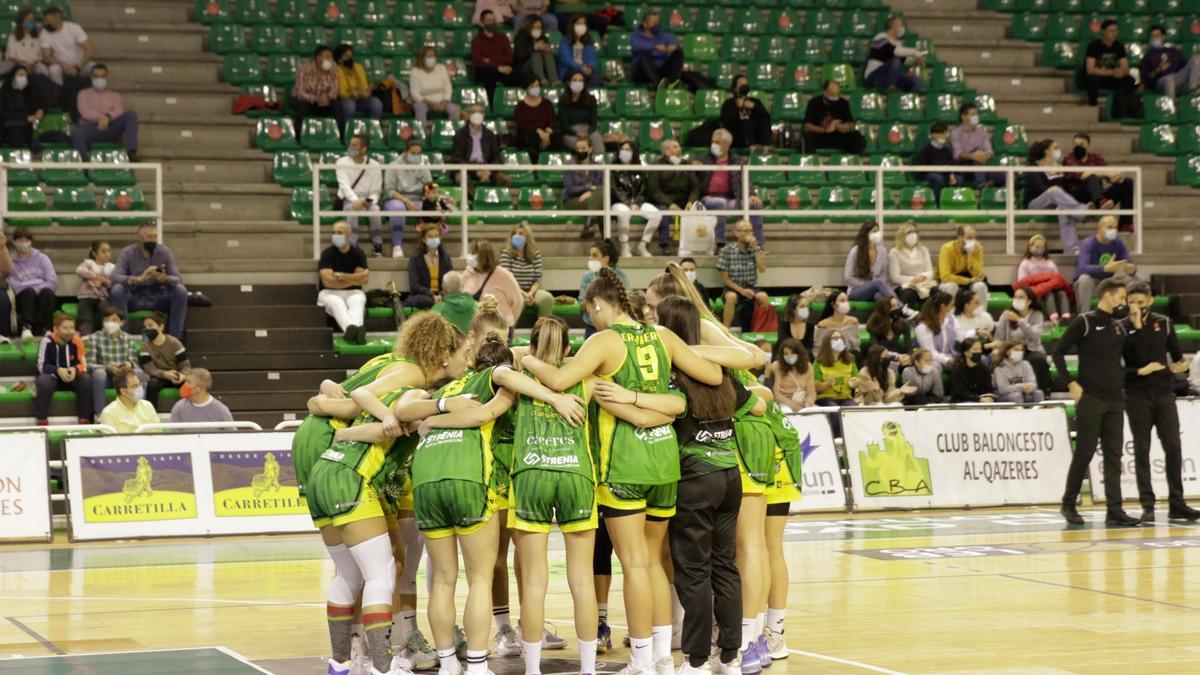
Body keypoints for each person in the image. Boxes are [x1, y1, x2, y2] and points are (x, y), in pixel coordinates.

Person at [519, 268, 754, 675]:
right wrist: (652, 399)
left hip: (624, 462)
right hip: (665, 461)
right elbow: (714, 376)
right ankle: (664, 657)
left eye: (588, 310)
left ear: (597, 304)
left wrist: (524, 359)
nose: (589, 318)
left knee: (634, 565)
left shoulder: (603, 340)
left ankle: (643, 660)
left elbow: (558, 379)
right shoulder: (662, 335)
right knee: (654, 563)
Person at [507, 317, 600, 675]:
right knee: (581, 578)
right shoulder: (584, 375)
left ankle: (532, 670)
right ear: (567, 349)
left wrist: (526, 358)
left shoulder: (520, 376)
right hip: (576, 473)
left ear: (532, 345)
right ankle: (588, 670)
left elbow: (502, 375)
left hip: (531, 474)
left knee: (534, 580)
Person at [1056, 278, 1140, 526]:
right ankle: (1068, 503)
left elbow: (1133, 354)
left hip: (1115, 398)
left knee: (1114, 456)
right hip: (1091, 397)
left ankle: (1115, 510)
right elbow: (1058, 352)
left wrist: (1135, 325)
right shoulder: (1084, 321)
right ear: (1107, 295)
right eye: (1121, 298)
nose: (1124, 302)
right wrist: (1071, 383)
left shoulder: (1118, 326)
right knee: (1085, 452)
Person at [1122, 282, 1199, 522]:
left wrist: (1181, 366)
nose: (1136, 308)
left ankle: (1177, 503)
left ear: (1150, 301)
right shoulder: (1121, 328)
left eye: (1140, 303)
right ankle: (1148, 504)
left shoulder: (1164, 323)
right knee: (1142, 450)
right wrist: (1137, 328)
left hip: (1164, 393)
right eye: (1131, 303)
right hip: (1137, 395)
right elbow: (1131, 362)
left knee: (1173, 448)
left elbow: (1177, 357)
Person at [109, 230, 188, 343]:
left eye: (154, 237)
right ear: (140, 238)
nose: (152, 240)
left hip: (158, 296)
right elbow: (114, 277)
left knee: (180, 290)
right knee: (117, 290)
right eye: (149, 237)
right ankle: (123, 340)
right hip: (135, 296)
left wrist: (165, 278)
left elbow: (178, 278)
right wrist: (138, 279)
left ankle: (174, 340)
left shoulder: (165, 252)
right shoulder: (127, 252)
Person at [700, 129, 764, 247]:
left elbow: (746, 180)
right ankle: (720, 244)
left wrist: (751, 195)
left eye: (717, 142)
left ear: (727, 144)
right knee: (720, 203)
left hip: (732, 199)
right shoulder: (703, 159)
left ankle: (757, 244)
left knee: (753, 205)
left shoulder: (738, 161)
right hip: (709, 198)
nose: (713, 145)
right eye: (712, 141)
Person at [1025, 139, 1087, 255]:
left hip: (1055, 204)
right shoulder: (1034, 167)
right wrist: (1056, 196)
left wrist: (1060, 203)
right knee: (1054, 191)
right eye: (1055, 147)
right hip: (1036, 204)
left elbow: (1065, 191)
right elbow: (1039, 189)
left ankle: (1072, 249)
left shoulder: (1059, 168)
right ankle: (1081, 211)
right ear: (1047, 151)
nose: (1058, 150)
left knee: (1064, 209)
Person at [1062, 131, 1133, 230]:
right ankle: (1100, 202)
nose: (1078, 147)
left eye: (1081, 144)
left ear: (1088, 145)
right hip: (1078, 196)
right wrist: (1105, 172)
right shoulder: (1068, 159)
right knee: (1092, 176)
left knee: (1127, 182)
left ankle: (1125, 223)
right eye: (1076, 144)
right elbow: (1082, 174)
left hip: (1097, 195)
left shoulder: (1096, 158)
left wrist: (1116, 177)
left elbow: (1110, 177)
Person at [84, 306, 146, 418]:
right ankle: (99, 415)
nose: (109, 323)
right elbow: (89, 364)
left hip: (125, 378)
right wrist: (106, 367)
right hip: (106, 378)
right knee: (99, 373)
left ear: (122, 322)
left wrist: (129, 365)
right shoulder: (95, 337)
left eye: (114, 320)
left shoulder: (128, 338)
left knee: (139, 373)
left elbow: (134, 362)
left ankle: (139, 411)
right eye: (106, 320)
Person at [71, 64, 138, 160]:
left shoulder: (115, 95)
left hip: (111, 127)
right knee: (77, 134)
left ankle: (131, 152)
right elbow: (85, 113)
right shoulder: (83, 94)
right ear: (91, 77)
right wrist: (103, 117)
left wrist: (108, 116)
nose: (99, 79)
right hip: (92, 128)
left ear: (106, 78)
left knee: (131, 115)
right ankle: (84, 161)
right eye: (96, 76)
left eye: (102, 76)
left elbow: (119, 110)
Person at [33, 312, 91, 424]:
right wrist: (58, 370)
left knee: (86, 379)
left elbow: (83, 364)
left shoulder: (77, 341)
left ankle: (85, 418)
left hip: (72, 376)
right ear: (56, 329)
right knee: (43, 381)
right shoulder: (47, 341)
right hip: (53, 377)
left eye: (72, 328)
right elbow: (42, 365)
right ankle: (41, 419)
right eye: (65, 328)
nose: (69, 331)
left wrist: (75, 370)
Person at [317, 221, 369, 345]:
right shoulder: (327, 253)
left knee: (358, 301)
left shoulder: (358, 253)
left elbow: (365, 279)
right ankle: (354, 331)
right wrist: (353, 278)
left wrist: (340, 276)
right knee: (337, 303)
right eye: (333, 232)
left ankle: (353, 332)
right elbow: (327, 281)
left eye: (339, 233)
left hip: (353, 292)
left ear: (348, 235)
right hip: (328, 293)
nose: (335, 235)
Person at [994, 286, 1052, 393]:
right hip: (1011, 349)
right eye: (1015, 297)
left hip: (1031, 349)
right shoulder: (1006, 314)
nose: (1017, 299)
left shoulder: (1036, 314)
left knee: (1038, 360)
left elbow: (1035, 335)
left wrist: (1019, 320)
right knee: (995, 357)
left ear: (1029, 301)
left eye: (1021, 297)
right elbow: (999, 337)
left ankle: (1042, 393)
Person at [1075, 215, 1137, 314]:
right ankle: (1084, 316)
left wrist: (1132, 269)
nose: (1113, 230)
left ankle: (1131, 314)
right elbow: (1082, 268)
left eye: (1115, 228)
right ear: (1099, 229)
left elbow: (1129, 262)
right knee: (1084, 279)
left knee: (1134, 280)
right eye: (1109, 227)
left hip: (1111, 282)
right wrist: (1104, 268)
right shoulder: (1088, 243)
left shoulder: (1118, 243)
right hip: (1094, 283)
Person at [646, 139, 698, 255]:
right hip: (664, 201)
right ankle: (665, 245)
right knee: (663, 212)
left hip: (684, 200)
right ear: (666, 151)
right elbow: (654, 190)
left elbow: (696, 187)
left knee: (696, 208)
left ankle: (693, 245)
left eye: (679, 147)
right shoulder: (657, 166)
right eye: (675, 147)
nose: (678, 149)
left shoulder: (687, 165)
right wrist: (670, 204)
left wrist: (691, 201)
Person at [381, 140, 432, 259]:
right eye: (413, 153)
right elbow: (389, 190)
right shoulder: (393, 166)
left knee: (431, 207)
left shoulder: (423, 168)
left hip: (417, 199)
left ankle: (429, 246)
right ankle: (397, 246)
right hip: (396, 199)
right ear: (406, 152)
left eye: (418, 153)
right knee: (398, 208)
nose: (415, 156)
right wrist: (406, 201)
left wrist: (427, 199)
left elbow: (428, 188)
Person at [611, 141, 661, 259]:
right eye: (623, 149)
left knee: (657, 214)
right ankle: (624, 245)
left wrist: (637, 203)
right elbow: (613, 190)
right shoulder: (613, 169)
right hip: (619, 202)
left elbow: (643, 189)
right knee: (624, 212)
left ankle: (643, 245)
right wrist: (629, 203)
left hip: (638, 202)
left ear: (634, 153)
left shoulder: (640, 169)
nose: (624, 152)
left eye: (628, 150)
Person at [335, 134, 384, 255]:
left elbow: (376, 190)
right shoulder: (341, 162)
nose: (350, 148)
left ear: (364, 149)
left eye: (354, 145)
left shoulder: (375, 165)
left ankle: (378, 245)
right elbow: (344, 185)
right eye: (350, 145)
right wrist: (355, 200)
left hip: (368, 200)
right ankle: (352, 245)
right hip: (349, 199)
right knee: (351, 211)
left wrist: (369, 201)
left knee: (375, 211)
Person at [717, 220, 768, 331]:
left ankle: (762, 330)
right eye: (745, 231)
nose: (748, 234)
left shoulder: (756, 249)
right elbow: (726, 279)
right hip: (733, 288)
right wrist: (742, 291)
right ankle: (726, 329)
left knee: (763, 297)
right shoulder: (726, 251)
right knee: (731, 297)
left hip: (751, 287)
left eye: (750, 231)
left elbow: (762, 268)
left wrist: (755, 248)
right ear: (737, 233)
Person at [7, 227, 57, 340]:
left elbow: (53, 283)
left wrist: (29, 284)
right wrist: (38, 282)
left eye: (26, 240)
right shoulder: (11, 261)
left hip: (43, 297)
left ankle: (48, 329)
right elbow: (14, 286)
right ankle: (26, 328)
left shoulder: (42, 258)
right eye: (20, 240)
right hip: (23, 299)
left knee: (47, 292)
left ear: (31, 241)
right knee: (29, 292)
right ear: (14, 242)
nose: (23, 243)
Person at [462, 240, 523, 329]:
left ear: (484, 257)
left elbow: (518, 301)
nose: (471, 256)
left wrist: (509, 322)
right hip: (476, 328)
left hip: (500, 327)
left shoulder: (503, 275)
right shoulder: (467, 274)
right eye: (472, 253)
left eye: (475, 253)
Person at [499, 223, 554, 318]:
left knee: (547, 298)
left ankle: (543, 329)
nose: (517, 236)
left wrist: (530, 293)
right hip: (513, 291)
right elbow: (507, 280)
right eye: (514, 233)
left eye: (520, 233)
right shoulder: (506, 253)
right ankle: (510, 331)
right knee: (520, 301)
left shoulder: (535, 254)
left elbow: (538, 279)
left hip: (532, 290)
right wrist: (524, 294)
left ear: (527, 237)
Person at [1014, 233, 1072, 323]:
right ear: (1030, 248)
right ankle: (1053, 317)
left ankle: (1066, 317)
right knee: (1049, 294)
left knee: (1062, 293)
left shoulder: (1050, 264)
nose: (1039, 249)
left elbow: (1057, 279)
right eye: (1036, 246)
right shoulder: (1025, 264)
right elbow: (1022, 283)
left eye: (1041, 246)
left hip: (1052, 289)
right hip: (1036, 291)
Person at [578, 239, 627, 339]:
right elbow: (582, 305)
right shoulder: (587, 277)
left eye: (594, 255)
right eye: (590, 255)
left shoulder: (621, 276)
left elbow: (625, 302)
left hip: (616, 326)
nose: (590, 258)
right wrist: (590, 297)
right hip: (591, 327)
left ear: (606, 258)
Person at [138, 311, 189, 407]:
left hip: (176, 376)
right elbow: (150, 370)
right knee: (152, 384)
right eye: (145, 327)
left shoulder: (175, 343)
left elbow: (185, 365)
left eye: (150, 325)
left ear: (161, 327)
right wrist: (165, 374)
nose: (147, 329)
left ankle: (189, 412)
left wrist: (183, 375)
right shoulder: (145, 347)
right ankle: (152, 414)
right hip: (158, 378)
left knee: (189, 383)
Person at [451, 104, 509, 186]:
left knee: (504, 179)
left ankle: (494, 198)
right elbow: (457, 159)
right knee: (461, 178)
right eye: (474, 112)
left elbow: (497, 158)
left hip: (487, 168)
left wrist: (488, 171)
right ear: (469, 114)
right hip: (467, 168)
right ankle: (472, 198)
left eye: (480, 112)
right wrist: (476, 171)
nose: (477, 114)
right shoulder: (460, 135)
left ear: (483, 115)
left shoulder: (490, 135)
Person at [802, 80, 865, 155]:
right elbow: (807, 126)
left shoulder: (843, 103)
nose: (834, 97)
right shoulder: (814, 103)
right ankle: (811, 162)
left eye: (836, 94)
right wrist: (825, 130)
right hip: (821, 136)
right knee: (809, 137)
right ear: (825, 92)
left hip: (838, 136)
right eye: (832, 94)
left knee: (857, 137)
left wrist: (844, 127)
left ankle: (853, 162)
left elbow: (851, 124)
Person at [863, 15, 924, 93]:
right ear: (893, 26)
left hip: (891, 77)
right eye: (900, 25)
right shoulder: (880, 37)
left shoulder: (898, 43)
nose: (902, 28)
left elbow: (904, 60)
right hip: (874, 76)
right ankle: (890, 86)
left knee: (915, 80)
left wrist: (916, 61)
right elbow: (895, 51)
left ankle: (908, 100)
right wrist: (916, 52)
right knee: (895, 60)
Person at [1082, 19, 1135, 107]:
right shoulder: (1093, 46)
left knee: (1129, 80)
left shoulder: (1119, 46)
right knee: (1092, 79)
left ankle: (1127, 106)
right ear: (1103, 32)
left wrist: (1121, 72)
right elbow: (1090, 70)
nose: (1114, 33)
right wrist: (1111, 72)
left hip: (1110, 77)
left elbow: (1125, 67)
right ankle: (1093, 106)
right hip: (1097, 76)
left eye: (1116, 30)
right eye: (1111, 30)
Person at [290, 45, 339, 138]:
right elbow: (300, 91)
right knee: (303, 106)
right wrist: (315, 99)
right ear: (318, 58)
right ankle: (298, 137)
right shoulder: (305, 68)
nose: (330, 59)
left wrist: (326, 98)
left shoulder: (333, 70)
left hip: (324, 101)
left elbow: (334, 90)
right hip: (304, 99)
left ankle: (338, 137)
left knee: (337, 105)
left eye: (331, 57)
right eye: (327, 56)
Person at [949, 103, 1003, 187]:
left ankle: (984, 182)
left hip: (981, 165)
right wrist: (974, 155)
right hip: (963, 167)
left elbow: (989, 150)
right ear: (963, 116)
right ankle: (981, 182)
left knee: (1005, 175)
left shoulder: (982, 132)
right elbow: (957, 154)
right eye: (973, 114)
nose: (976, 116)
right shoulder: (955, 133)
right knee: (976, 152)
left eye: (976, 114)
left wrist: (984, 155)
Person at [38, 6, 93, 86]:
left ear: (57, 18)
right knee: (53, 71)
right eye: (45, 20)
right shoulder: (44, 33)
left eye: (48, 20)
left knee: (94, 68)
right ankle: (59, 94)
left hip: (80, 64)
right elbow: (46, 56)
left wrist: (77, 67)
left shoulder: (74, 28)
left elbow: (89, 50)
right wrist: (63, 65)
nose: (46, 23)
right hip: (61, 65)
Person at [1140, 25, 1200, 98]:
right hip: (1160, 81)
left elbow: (1185, 66)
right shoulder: (1147, 56)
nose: (1154, 38)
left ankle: (1193, 91)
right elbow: (1146, 79)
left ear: (1163, 36)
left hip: (1177, 78)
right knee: (1169, 79)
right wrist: (1158, 70)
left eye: (1157, 36)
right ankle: (1171, 104)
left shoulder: (1173, 51)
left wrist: (1194, 57)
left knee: (1195, 61)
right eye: (1152, 36)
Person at [937, 224, 987, 308]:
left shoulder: (977, 248)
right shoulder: (946, 248)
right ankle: (952, 316)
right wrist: (968, 280)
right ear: (959, 237)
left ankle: (980, 316)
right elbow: (945, 277)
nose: (973, 241)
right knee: (951, 286)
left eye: (974, 238)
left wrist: (971, 254)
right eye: (969, 238)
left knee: (980, 286)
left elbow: (978, 274)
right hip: (950, 281)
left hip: (969, 280)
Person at [471, 11, 514, 107]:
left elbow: (509, 58)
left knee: (516, 74)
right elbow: (478, 60)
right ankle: (491, 106)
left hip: (501, 69)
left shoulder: (503, 38)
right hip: (484, 71)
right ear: (482, 23)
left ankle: (512, 105)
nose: (492, 22)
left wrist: (490, 60)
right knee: (490, 73)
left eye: (493, 20)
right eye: (489, 20)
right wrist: (496, 66)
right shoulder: (477, 40)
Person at [844, 221, 896, 303]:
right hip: (856, 290)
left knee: (880, 297)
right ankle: (902, 309)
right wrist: (867, 284)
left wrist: (873, 284)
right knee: (878, 283)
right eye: (874, 231)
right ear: (866, 234)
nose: (877, 234)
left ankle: (893, 314)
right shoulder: (855, 251)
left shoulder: (882, 251)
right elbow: (848, 277)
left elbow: (883, 274)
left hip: (875, 289)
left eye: (878, 231)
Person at [563, 135, 603, 238]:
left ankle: (590, 224)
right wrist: (588, 189)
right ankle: (605, 241)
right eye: (577, 149)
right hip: (573, 200)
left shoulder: (598, 166)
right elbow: (569, 189)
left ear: (590, 149)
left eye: (583, 148)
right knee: (602, 204)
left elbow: (601, 187)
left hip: (592, 199)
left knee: (601, 195)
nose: (580, 151)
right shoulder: (569, 165)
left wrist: (590, 193)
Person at [629, 10, 682, 88]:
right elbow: (638, 45)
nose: (656, 25)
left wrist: (673, 46)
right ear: (645, 24)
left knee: (678, 52)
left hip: (660, 70)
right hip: (642, 73)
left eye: (657, 22)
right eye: (653, 23)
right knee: (643, 53)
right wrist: (654, 46)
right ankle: (658, 84)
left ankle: (672, 81)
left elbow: (674, 43)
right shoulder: (636, 37)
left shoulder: (663, 36)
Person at [888, 222, 936, 307]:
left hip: (923, 284)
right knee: (910, 293)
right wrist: (913, 279)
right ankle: (903, 317)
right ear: (902, 235)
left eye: (915, 232)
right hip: (903, 286)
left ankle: (932, 319)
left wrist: (923, 276)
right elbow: (895, 277)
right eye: (909, 232)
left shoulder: (923, 250)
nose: (913, 235)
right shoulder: (894, 252)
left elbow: (930, 271)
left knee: (936, 291)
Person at [332, 43, 382, 124]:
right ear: (339, 59)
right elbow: (343, 94)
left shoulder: (358, 67)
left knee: (376, 103)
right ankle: (346, 132)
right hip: (345, 101)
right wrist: (358, 93)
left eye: (350, 56)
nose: (349, 58)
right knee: (349, 105)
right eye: (346, 56)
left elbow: (364, 88)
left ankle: (374, 130)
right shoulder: (336, 70)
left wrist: (366, 91)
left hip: (360, 100)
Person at [407, 224, 454, 310]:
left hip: (441, 295)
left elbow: (450, 281)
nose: (434, 239)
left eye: (436, 236)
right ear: (424, 239)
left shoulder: (445, 258)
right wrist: (432, 295)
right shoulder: (416, 258)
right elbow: (415, 285)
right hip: (422, 295)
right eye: (430, 237)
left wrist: (440, 295)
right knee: (428, 301)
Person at [720, 74, 771, 152]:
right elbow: (726, 121)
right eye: (740, 84)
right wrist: (738, 108)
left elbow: (766, 117)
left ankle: (766, 150)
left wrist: (754, 107)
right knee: (745, 120)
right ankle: (752, 149)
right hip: (737, 136)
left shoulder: (755, 102)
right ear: (735, 88)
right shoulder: (729, 103)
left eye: (745, 84)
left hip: (755, 136)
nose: (743, 86)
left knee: (764, 121)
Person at [411, 46, 461, 123]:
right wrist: (431, 104)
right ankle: (421, 133)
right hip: (423, 102)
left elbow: (448, 88)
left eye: (433, 56)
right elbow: (415, 94)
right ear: (422, 58)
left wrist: (444, 103)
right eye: (429, 56)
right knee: (420, 108)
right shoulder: (415, 71)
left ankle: (453, 133)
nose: (432, 59)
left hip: (441, 101)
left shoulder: (441, 68)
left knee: (455, 109)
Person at [513, 78, 557, 162]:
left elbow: (552, 120)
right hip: (527, 133)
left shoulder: (547, 103)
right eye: (532, 86)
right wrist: (538, 131)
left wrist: (547, 133)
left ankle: (553, 166)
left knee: (556, 137)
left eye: (537, 86)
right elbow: (522, 124)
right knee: (533, 138)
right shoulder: (520, 105)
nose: (535, 88)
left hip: (546, 132)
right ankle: (535, 167)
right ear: (526, 88)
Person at [74, 240, 113, 335]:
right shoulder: (89, 264)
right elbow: (79, 270)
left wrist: (104, 281)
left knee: (105, 310)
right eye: (103, 251)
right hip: (87, 296)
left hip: (103, 297)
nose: (107, 254)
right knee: (86, 316)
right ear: (94, 253)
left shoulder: (111, 267)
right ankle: (85, 335)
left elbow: (113, 283)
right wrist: (94, 276)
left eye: (108, 251)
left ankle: (104, 333)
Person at [558, 71, 603, 153]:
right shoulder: (563, 100)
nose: (577, 83)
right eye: (574, 80)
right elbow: (564, 125)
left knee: (596, 138)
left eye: (580, 80)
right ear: (568, 83)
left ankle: (600, 163)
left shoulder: (591, 99)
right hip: (570, 133)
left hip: (588, 130)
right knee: (581, 145)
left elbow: (594, 122)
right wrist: (576, 133)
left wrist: (587, 132)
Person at [169, 368, 233, 424]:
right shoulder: (179, 408)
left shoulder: (221, 411)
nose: (185, 385)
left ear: (198, 389)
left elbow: (231, 436)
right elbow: (174, 436)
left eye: (188, 382)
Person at [1, 65, 44, 149]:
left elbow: (40, 104)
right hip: (8, 127)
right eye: (20, 75)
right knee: (15, 135)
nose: (23, 78)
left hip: (26, 128)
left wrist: (40, 111)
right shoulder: (4, 93)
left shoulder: (30, 91)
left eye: (25, 76)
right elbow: (3, 114)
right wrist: (25, 118)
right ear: (13, 77)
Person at [914, 123, 956, 205]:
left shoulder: (947, 150)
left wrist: (951, 174)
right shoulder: (926, 150)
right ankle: (936, 203)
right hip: (929, 174)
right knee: (939, 179)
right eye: (941, 134)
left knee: (958, 180)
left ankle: (951, 203)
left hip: (944, 173)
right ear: (933, 135)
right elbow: (922, 167)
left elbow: (950, 164)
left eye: (945, 134)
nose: (944, 136)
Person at [813, 330, 858, 407]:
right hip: (825, 398)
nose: (839, 340)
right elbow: (816, 386)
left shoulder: (850, 361)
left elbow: (857, 379)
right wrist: (827, 384)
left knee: (852, 409)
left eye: (841, 338)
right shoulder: (818, 362)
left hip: (846, 398)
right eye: (835, 338)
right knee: (834, 409)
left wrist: (855, 383)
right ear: (827, 342)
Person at [913, 290, 957, 369]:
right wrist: (948, 360)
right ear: (943, 307)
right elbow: (930, 351)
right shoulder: (923, 327)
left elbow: (960, 335)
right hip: (930, 358)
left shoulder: (950, 319)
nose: (954, 308)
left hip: (948, 355)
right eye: (952, 305)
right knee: (936, 366)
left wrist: (976, 332)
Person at [769, 338, 815, 412]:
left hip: (802, 402)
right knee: (787, 411)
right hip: (784, 403)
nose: (789, 356)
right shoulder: (777, 365)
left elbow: (811, 392)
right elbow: (776, 394)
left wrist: (808, 404)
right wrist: (794, 406)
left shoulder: (808, 366)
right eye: (786, 354)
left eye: (793, 353)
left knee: (816, 412)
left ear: (799, 353)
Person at [814, 290, 862, 357]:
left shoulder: (853, 322)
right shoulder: (823, 325)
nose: (846, 303)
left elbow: (856, 347)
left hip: (849, 358)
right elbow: (817, 349)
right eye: (842, 301)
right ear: (833, 305)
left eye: (847, 300)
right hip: (829, 358)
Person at [513, 16, 558, 87]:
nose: (537, 30)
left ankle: (554, 80)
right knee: (535, 55)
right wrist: (534, 48)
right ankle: (541, 80)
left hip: (543, 66)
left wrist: (548, 51)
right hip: (524, 67)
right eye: (534, 28)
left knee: (548, 55)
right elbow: (519, 56)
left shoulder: (543, 38)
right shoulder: (520, 37)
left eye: (539, 28)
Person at [865, 296, 914, 361]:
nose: (896, 309)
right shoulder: (874, 324)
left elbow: (909, 347)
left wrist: (908, 358)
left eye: (897, 306)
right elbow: (875, 349)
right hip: (879, 359)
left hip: (898, 358)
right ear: (885, 309)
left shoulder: (903, 323)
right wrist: (896, 357)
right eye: (893, 306)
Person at [430, 270, 477, 335]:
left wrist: (437, 305)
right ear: (462, 287)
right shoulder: (476, 305)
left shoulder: (437, 310)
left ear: (444, 289)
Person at [559, 14, 600, 87]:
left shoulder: (589, 42)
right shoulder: (565, 41)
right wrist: (581, 67)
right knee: (577, 78)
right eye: (578, 23)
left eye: (583, 24)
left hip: (585, 70)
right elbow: (566, 59)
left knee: (596, 78)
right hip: (570, 70)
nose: (581, 26)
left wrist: (589, 68)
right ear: (572, 25)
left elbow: (592, 58)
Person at [948, 338, 995, 403]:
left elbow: (988, 388)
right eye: (975, 349)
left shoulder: (984, 368)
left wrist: (990, 397)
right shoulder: (957, 370)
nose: (979, 352)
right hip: (961, 402)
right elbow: (960, 392)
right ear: (966, 353)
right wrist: (978, 399)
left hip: (981, 401)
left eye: (980, 349)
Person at [6, 10, 43, 75]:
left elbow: (40, 56)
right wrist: (25, 65)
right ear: (21, 22)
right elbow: (11, 57)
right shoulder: (13, 37)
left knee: (43, 69)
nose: (31, 22)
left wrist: (34, 64)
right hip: (18, 66)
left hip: (35, 66)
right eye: (28, 19)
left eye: (33, 20)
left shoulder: (37, 38)